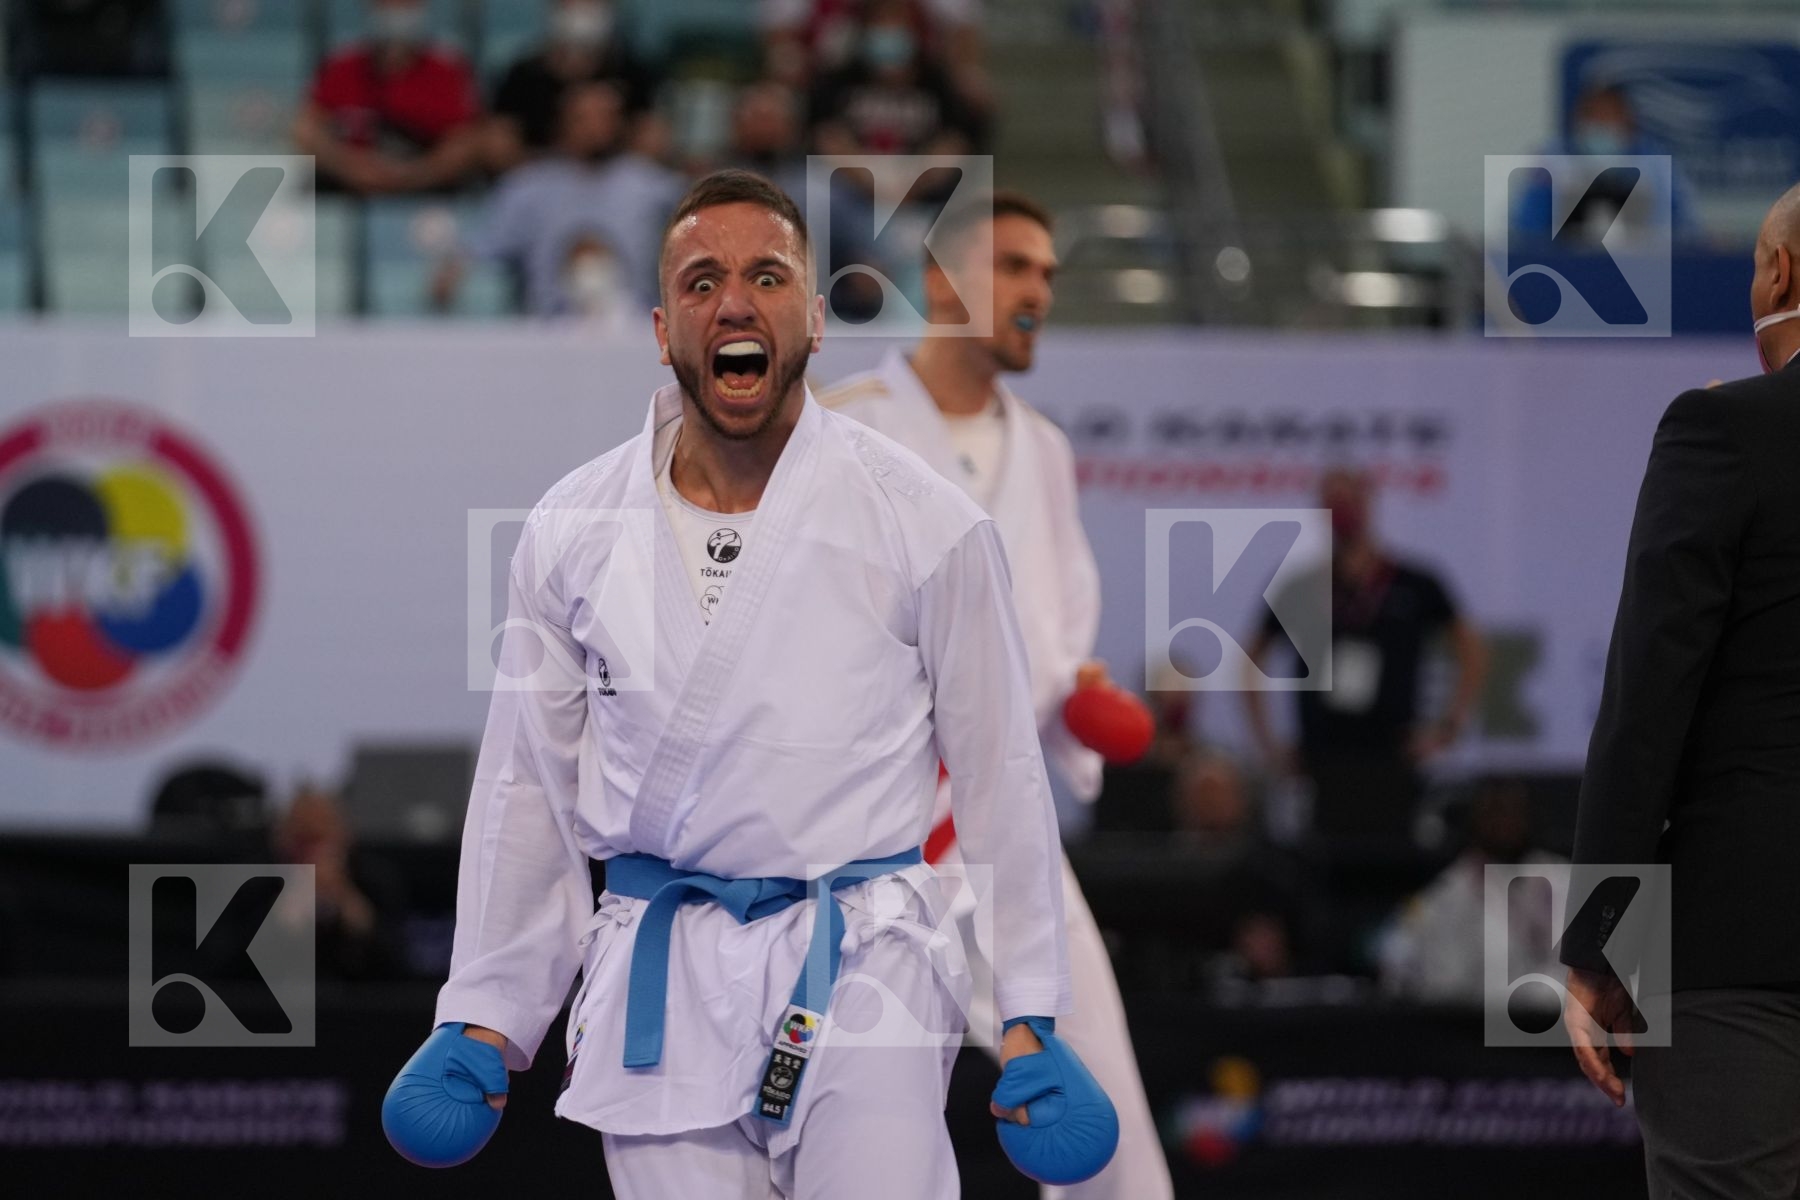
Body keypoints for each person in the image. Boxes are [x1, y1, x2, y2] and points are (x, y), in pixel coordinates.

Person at [391, 170, 1117, 1197]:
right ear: (660, 328)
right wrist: (486, 1012)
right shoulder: (571, 528)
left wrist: (1029, 1013)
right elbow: (527, 786)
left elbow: (1001, 773)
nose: (733, 301)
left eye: (766, 276)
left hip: (867, 955)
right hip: (662, 968)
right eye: (701, 281)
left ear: (814, 320)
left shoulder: (926, 520)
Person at [820, 191, 1174, 1200]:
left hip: (1004, 831)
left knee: (1104, 1121)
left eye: (1049, 276)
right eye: (1016, 268)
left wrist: (1079, 691)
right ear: (941, 283)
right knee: (855, 1134)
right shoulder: (842, 432)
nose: (1038, 293)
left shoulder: (1049, 451)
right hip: (866, 845)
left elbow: (1055, 642)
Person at [1561, 179, 1800, 1200]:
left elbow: (1648, 698)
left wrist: (1599, 943)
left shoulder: (1725, 432)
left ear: (1781, 271)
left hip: (1740, 950)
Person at [1241, 466, 1487, 841]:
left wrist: (1448, 724)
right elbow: (1250, 658)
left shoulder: (1414, 582)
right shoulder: (1301, 584)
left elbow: (1470, 647)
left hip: (1393, 751)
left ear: (1368, 503)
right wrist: (1269, 745)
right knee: (1322, 859)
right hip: (1323, 755)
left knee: (1396, 853)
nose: (1342, 513)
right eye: (1332, 504)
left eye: (1348, 502)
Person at [436, 82, 682, 315]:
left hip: (635, 326)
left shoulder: (651, 185)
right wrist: (456, 266)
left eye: (606, 117)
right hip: (548, 326)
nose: (596, 128)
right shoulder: (528, 187)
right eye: (583, 118)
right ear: (562, 124)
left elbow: (701, 220)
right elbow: (485, 246)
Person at [293, 0, 484, 195]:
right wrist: (348, 166)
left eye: (405, 7)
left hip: (426, 194)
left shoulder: (447, 71)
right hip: (345, 189)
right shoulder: (342, 67)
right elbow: (306, 131)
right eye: (386, 7)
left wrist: (412, 174)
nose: (396, 14)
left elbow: (466, 142)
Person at [486, 0, 663, 173]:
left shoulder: (631, 71)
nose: (582, 8)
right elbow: (497, 144)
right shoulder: (524, 75)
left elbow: (652, 138)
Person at [807, 0, 987, 158]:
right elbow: (826, 133)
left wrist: (915, 181)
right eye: (879, 21)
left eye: (896, 20)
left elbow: (955, 140)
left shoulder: (936, 80)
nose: (888, 28)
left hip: (920, 185)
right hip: (849, 184)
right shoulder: (841, 79)